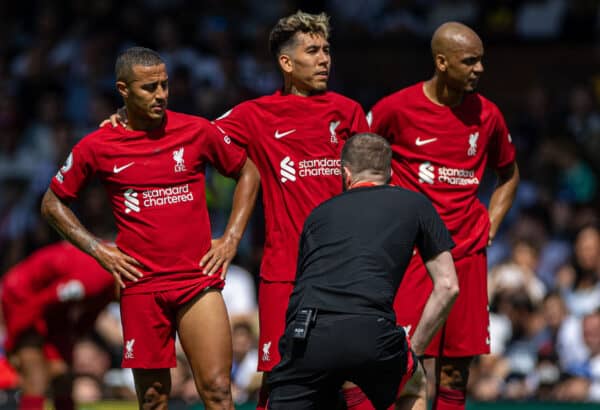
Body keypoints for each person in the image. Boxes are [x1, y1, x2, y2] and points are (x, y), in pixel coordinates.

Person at [41, 46, 260, 410]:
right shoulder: (99, 144)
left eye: (164, 85)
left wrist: (232, 237)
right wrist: (98, 249)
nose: (161, 95)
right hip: (141, 285)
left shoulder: (196, 130)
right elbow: (52, 203)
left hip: (196, 278)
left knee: (220, 390)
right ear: (123, 90)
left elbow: (248, 170)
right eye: (149, 88)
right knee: (154, 398)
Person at [212, 12, 370, 409]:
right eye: (313, 51)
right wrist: (130, 123)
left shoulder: (348, 112)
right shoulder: (255, 115)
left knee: (353, 378)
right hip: (284, 270)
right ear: (286, 62)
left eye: (327, 50)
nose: (324, 60)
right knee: (279, 375)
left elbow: (374, 186)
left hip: (343, 269)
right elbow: (196, 139)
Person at [368, 22, 520, 410]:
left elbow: (509, 174)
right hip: (415, 255)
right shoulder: (395, 109)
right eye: (470, 61)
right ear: (441, 62)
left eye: (481, 60)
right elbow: (356, 159)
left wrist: (491, 225)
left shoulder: (488, 116)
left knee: (456, 371)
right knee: (412, 365)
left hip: (467, 253)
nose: (479, 69)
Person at [267, 133, 459, 410]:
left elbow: (302, 287)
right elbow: (448, 286)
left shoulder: (317, 215)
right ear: (390, 172)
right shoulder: (416, 204)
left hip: (307, 335)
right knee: (414, 383)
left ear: (345, 173)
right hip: (370, 333)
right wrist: (413, 353)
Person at [1, 241, 116, 410]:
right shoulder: (92, 280)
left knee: (62, 374)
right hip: (23, 295)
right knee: (35, 374)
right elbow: (44, 300)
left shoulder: (107, 283)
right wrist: (13, 341)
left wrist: (70, 340)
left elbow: (88, 315)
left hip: (55, 309)